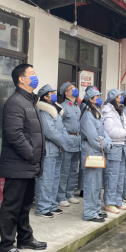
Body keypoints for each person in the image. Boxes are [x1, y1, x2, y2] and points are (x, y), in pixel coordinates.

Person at [0, 64, 47, 252]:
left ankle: (25, 238)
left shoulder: (30, 101)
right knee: (11, 206)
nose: (35, 77)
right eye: (32, 74)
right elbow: (14, 134)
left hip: (28, 164)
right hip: (19, 164)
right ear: (21, 79)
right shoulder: (15, 102)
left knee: (25, 204)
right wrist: (31, 154)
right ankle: (6, 245)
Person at [35, 85, 69, 218]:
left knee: (55, 179)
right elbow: (51, 132)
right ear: (45, 97)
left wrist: (64, 142)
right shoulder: (44, 112)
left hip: (57, 149)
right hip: (48, 149)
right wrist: (64, 143)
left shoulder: (55, 110)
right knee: (46, 180)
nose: (54, 95)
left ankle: (52, 205)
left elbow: (62, 129)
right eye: (51, 93)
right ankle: (42, 207)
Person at [80, 87, 112, 222]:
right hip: (92, 151)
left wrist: (108, 143)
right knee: (91, 185)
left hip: (98, 152)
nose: (99, 99)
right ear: (91, 100)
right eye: (97, 97)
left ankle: (96, 210)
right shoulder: (88, 115)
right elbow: (93, 139)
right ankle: (89, 213)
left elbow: (103, 133)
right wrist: (106, 145)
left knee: (97, 185)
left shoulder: (96, 113)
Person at [102, 89, 126, 215]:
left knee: (120, 175)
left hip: (122, 146)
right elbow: (110, 132)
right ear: (115, 98)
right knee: (112, 176)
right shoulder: (107, 111)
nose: (121, 98)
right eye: (119, 96)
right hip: (113, 146)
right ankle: (109, 203)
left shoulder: (120, 110)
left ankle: (117, 200)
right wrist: (125, 132)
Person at [57, 82, 81, 207]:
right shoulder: (63, 107)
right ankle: (61, 196)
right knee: (64, 171)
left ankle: (70, 194)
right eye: (72, 88)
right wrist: (62, 142)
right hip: (67, 141)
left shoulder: (77, 107)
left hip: (77, 141)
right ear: (66, 93)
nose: (75, 89)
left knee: (73, 171)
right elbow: (59, 126)